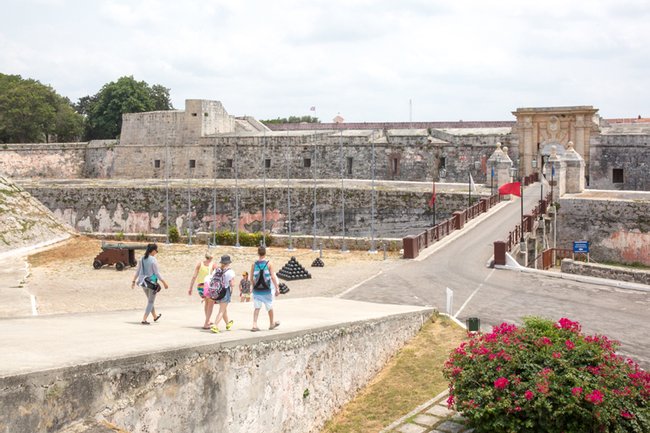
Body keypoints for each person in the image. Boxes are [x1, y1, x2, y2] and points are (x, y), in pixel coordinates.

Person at [131, 243, 169, 325]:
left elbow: (137, 271)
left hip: (143, 283)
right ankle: (144, 319)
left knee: (150, 301)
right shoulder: (153, 260)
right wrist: (164, 282)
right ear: (152, 251)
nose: (156, 252)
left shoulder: (142, 259)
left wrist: (133, 281)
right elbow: (157, 273)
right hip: (152, 283)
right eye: (156, 250)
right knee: (151, 302)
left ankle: (155, 316)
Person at [249, 246, 280, 332]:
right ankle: (271, 324)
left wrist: (253, 286)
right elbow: (273, 277)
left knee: (257, 308)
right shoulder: (269, 264)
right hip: (267, 289)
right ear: (265, 253)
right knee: (269, 306)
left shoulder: (254, 264)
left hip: (257, 290)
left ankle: (254, 324)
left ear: (258, 253)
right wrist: (277, 288)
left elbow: (251, 278)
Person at [188, 252, 217, 329]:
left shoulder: (199, 264)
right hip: (208, 286)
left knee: (206, 303)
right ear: (211, 257)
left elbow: (194, 276)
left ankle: (208, 320)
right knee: (210, 304)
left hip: (200, 287)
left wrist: (190, 288)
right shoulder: (213, 265)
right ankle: (206, 323)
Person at [208, 255, 235, 334]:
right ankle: (215, 325)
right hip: (225, 292)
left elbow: (212, 279)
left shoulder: (216, 270)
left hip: (217, 292)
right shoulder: (230, 272)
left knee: (223, 309)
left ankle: (228, 324)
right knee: (222, 310)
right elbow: (232, 284)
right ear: (228, 263)